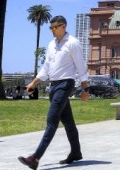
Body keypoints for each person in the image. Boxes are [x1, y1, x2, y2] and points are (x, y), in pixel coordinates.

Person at [18, 15, 89, 169]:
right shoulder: (51, 45)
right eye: (50, 28)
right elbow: (46, 68)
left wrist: (85, 88)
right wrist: (33, 83)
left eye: (54, 27)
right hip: (54, 86)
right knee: (68, 123)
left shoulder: (73, 43)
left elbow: (81, 67)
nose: (52, 30)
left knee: (52, 121)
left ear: (63, 26)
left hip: (65, 84)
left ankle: (35, 158)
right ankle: (76, 152)